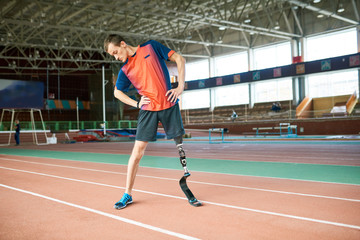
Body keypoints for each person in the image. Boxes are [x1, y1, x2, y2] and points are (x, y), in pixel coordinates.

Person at [104, 34, 188, 209]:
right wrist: (136, 103)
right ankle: (127, 193)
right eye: (113, 55)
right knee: (137, 153)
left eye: (116, 52)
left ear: (123, 44)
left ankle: (186, 176)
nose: (116, 57)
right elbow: (117, 93)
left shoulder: (151, 47)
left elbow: (179, 58)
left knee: (179, 143)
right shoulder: (125, 70)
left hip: (168, 102)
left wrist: (180, 86)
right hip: (148, 109)